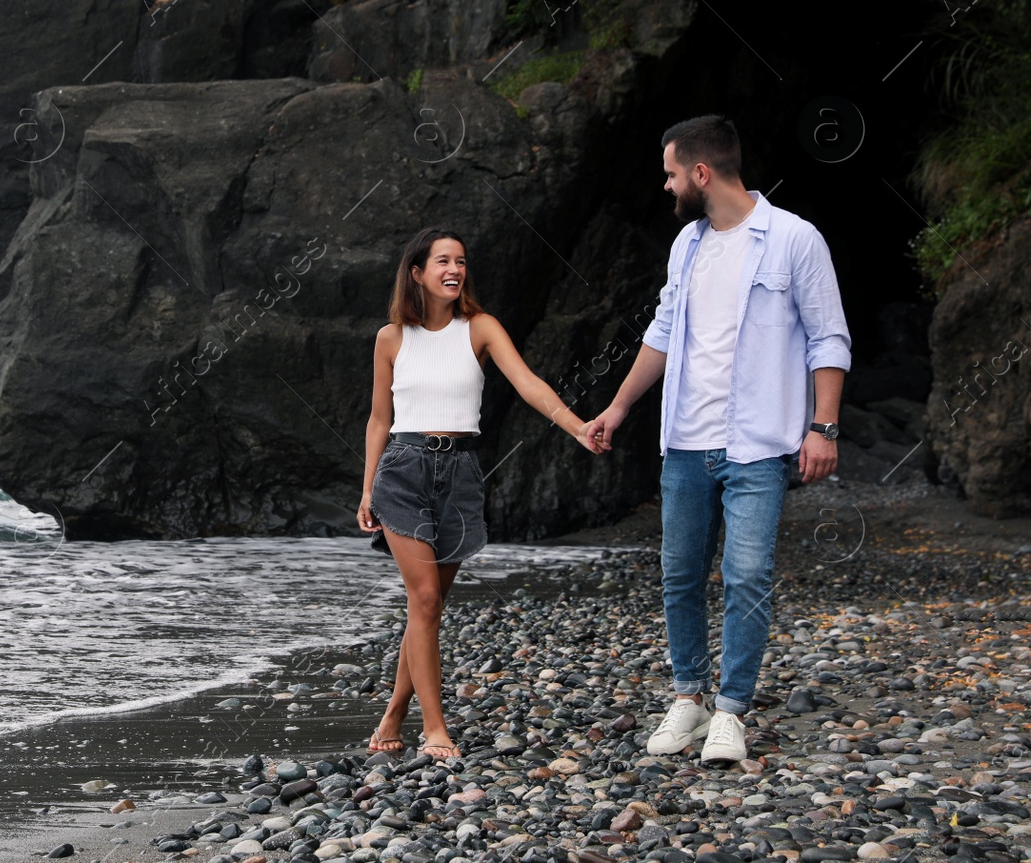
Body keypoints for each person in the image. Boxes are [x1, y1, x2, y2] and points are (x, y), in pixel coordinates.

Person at [585, 115, 851, 764]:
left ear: (702, 173)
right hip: (684, 442)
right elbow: (663, 331)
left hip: (757, 444)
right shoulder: (688, 246)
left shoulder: (793, 238)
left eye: (673, 172)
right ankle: (688, 699)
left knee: (747, 574)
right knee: (679, 575)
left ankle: (730, 710)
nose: (667, 183)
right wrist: (618, 406)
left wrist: (823, 426)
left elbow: (829, 337)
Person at [359, 227, 605, 759]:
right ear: (417, 271)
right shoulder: (391, 338)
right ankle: (434, 729)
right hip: (401, 469)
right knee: (423, 600)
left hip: (460, 472)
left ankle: (393, 715)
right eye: (442, 261)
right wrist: (366, 489)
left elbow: (529, 383)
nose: (454, 269)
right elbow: (379, 419)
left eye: (462, 262)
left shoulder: (481, 328)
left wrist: (577, 426)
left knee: (430, 607)